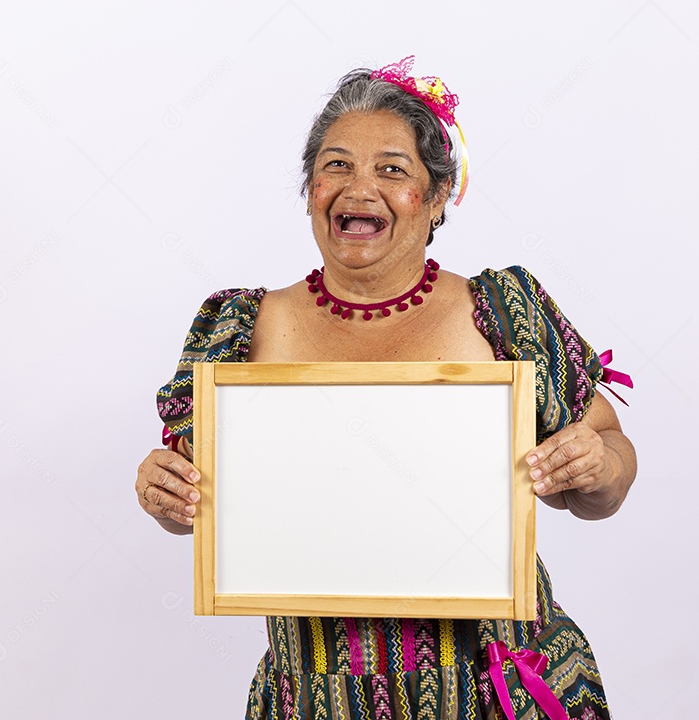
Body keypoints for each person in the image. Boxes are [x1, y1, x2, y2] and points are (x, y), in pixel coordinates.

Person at [136, 56, 637, 720]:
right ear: (310, 188)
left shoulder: (503, 313)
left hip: (497, 692)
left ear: (436, 199)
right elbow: (194, 505)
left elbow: (606, 466)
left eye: (392, 170)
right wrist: (164, 491)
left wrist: (597, 465)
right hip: (316, 695)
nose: (359, 187)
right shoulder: (241, 328)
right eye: (337, 165)